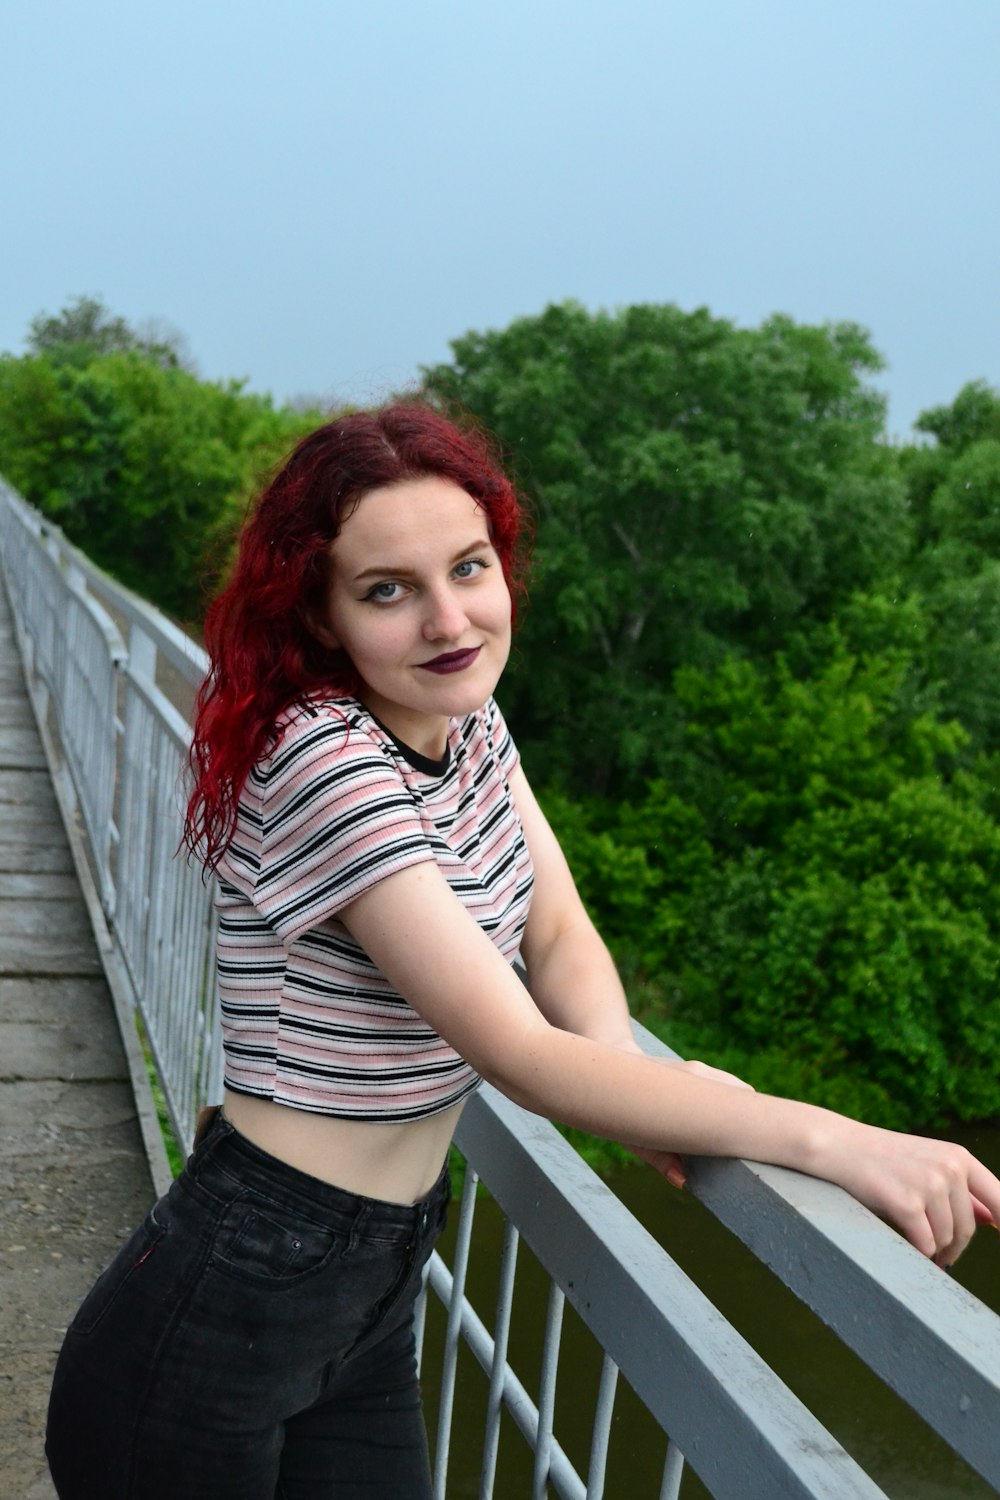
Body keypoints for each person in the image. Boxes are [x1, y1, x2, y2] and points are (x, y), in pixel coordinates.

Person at [46, 402, 1000, 1499]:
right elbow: (518, 1054)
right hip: (231, 1296)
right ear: (320, 613)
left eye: (469, 567)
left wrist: (638, 1076)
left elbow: (554, 930)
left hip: (371, 1285)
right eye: (388, 590)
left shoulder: (463, 721)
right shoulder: (329, 761)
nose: (449, 619)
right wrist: (831, 1139)